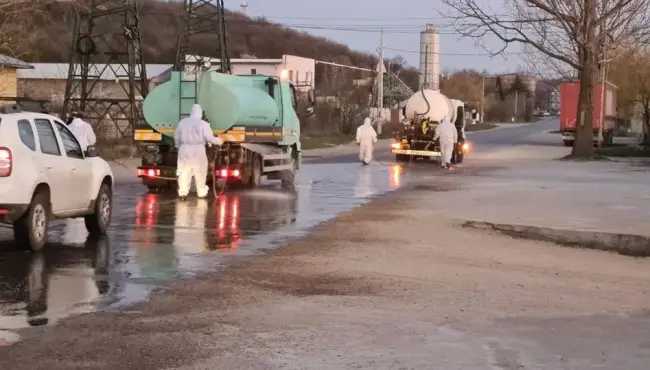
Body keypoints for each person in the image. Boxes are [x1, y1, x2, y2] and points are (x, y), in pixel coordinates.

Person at [174, 104, 223, 200]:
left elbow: (176, 136)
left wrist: (178, 146)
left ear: (191, 112)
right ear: (200, 113)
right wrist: (219, 141)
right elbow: (209, 138)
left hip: (184, 149)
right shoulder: (203, 124)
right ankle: (201, 192)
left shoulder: (182, 122)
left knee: (184, 172)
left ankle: (183, 193)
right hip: (198, 150)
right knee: (200, 171)